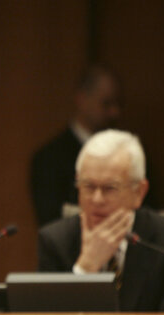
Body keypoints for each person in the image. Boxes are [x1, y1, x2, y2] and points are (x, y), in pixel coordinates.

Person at [37, 130, 164, 311]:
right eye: (88, 186)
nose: (97, 199)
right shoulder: (55, 241)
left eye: (110, 188)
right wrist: (86, 268)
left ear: (139, 192)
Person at [30, 65, 122, 227]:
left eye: (118, 104)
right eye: (106, 104)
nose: (114, 112)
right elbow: (52, 221)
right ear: (82, 99)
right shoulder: (49, 158)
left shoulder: (129, 154)